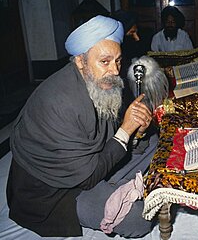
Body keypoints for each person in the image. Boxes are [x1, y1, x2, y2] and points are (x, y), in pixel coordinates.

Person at [6, 15, 159, 238]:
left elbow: (110, 134)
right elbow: (87, 179)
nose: (115, 71)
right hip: (56, 191)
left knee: (153, 140)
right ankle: (116, 187)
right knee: (140, 218)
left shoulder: (101, 81)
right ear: (80, 61)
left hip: (90, 164)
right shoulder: (61, 103)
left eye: (118, 61)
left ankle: (116, 185)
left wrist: (138, 131)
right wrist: (126, 130)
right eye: (105, 61)